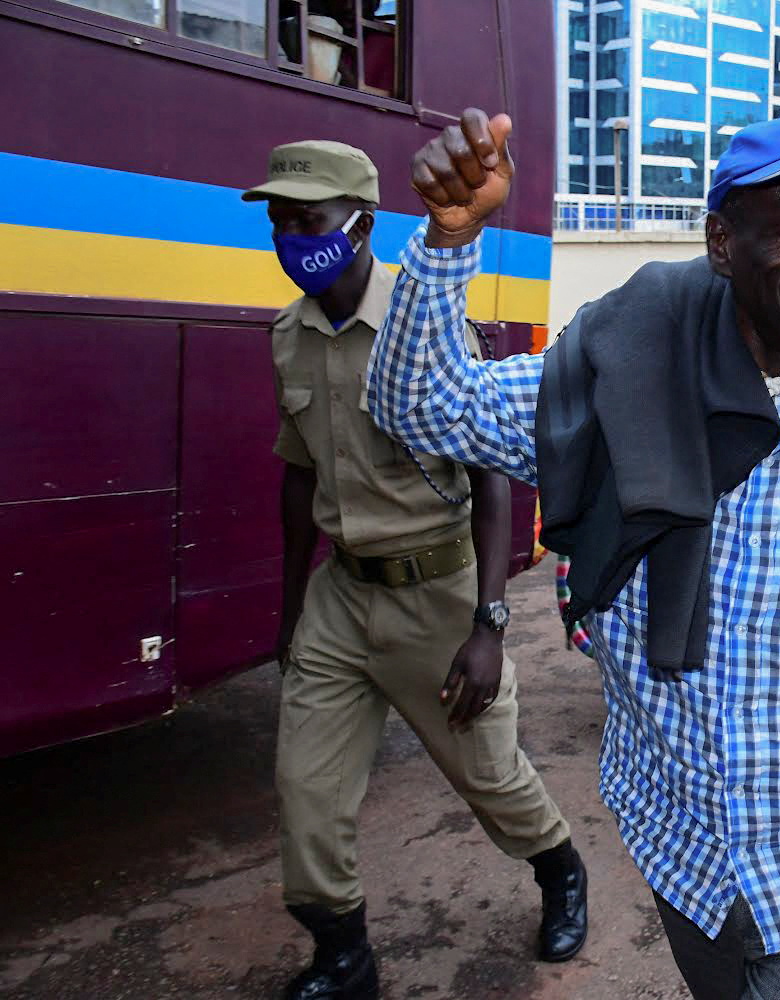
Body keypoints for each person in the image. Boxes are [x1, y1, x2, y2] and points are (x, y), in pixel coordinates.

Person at [368, 102, 780, 1000]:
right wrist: (449, 241)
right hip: (686, 859)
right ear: (723, 242)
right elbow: (421, 405)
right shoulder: (620, 376)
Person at [246, 140, 586, 999]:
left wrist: (488, 623)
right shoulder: (289, 333)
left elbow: (489, 476)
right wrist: (291, 612)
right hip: (339, 595)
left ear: (360, 223)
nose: (291, 236)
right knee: (305, 791)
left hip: (436, 599)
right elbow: (299, 474)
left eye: (308, 219)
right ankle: (343, 954)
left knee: (489, 777)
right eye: (280, 221)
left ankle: (560, 869)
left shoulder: (427, 320)